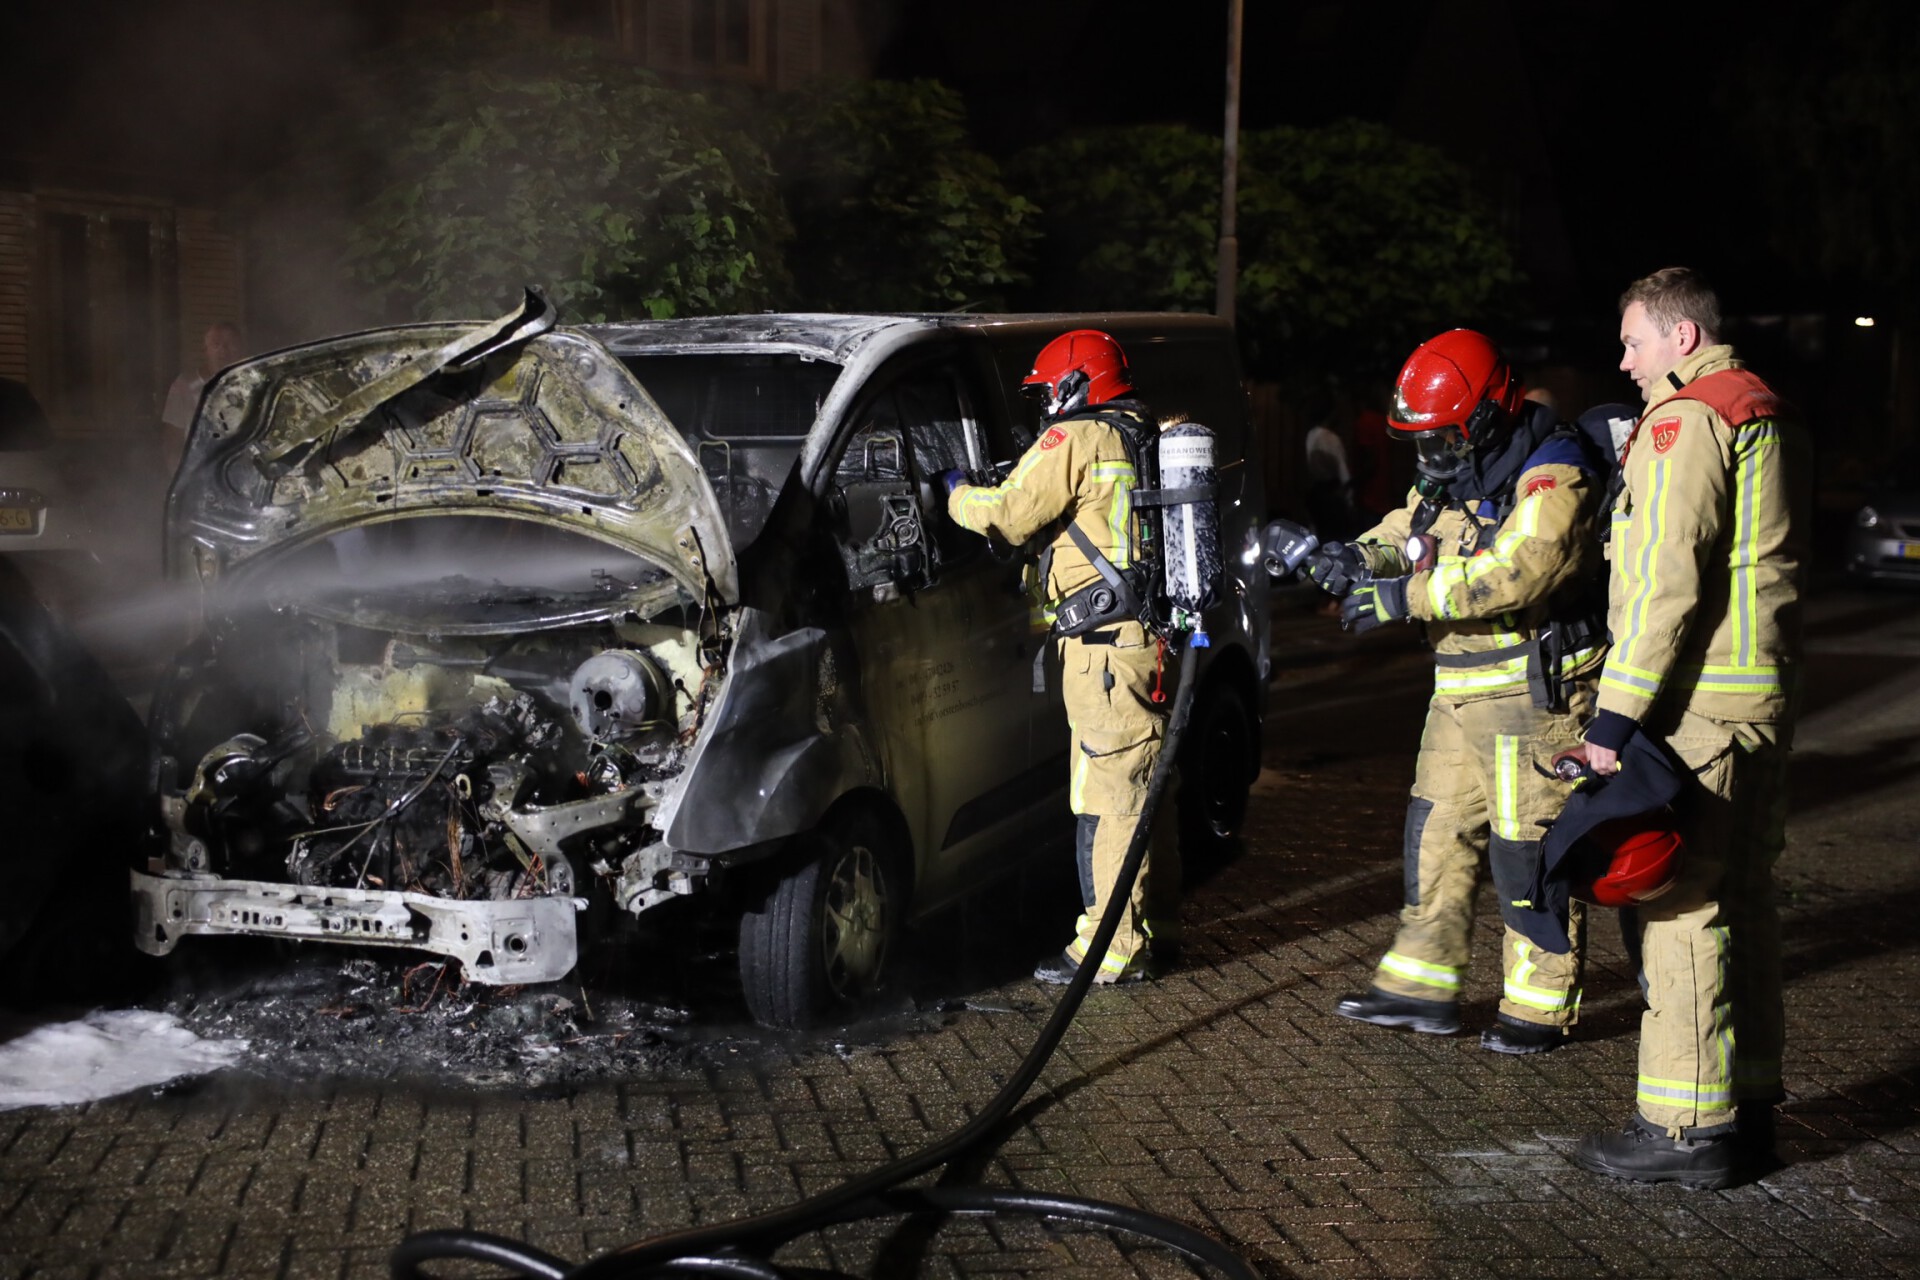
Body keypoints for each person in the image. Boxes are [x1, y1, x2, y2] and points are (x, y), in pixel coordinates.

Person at [1305, 329, 1611, 1054]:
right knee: (1434, 834)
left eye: (1441, 436)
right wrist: (1356, 557)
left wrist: (1402, 597)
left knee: (1527, 854)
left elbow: (1521, 569)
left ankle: (1538, 1008)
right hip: (1460, 688)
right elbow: (1409, 529)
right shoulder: (1456, 468)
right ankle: (1420, 987)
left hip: (1533, 697)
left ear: (1485, 417)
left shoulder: (1553, 471)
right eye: (1421, 439)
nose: (1429, 453)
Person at [1570, 267, 1809, 1188]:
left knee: (1682, 910)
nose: (1623, 361)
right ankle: (1748, 1109)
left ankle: (1684, 1129)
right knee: (1746, 904)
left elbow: (1666, 581)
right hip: (1761, 697)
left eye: (1633, 341)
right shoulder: (1764, 406)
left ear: (1682, 337)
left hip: (1700, 705)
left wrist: (1613, 719)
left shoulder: (1688, 418)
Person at [943, 330, 1176, 984]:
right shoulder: (1139, 434)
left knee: (1111, 795)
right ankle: (1156, 926)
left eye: (1048, 391)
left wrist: (956, 492)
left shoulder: (1076, 437)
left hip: (1103, 651)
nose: (1045, 403)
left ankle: (1111, 946)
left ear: (1075, 385)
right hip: (1140, 641)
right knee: (1144, 784)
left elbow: (1009, 513)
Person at [161, 322, 245, 472]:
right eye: (216, 344)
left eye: (230, 344)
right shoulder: (184, 386)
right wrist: (179, 475)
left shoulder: (250, 385)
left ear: (240, 349)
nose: (223, 350)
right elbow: (173, 440)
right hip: (199, 471)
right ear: (205, 350)